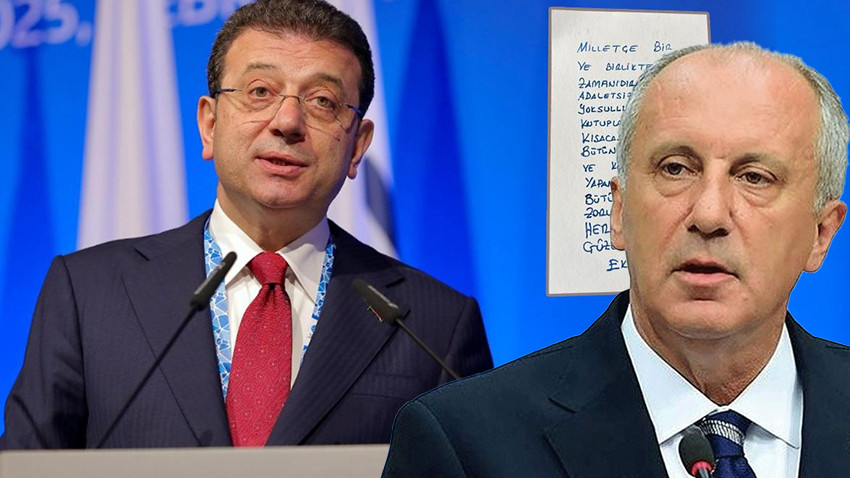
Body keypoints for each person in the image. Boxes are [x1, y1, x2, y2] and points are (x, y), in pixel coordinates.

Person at [1, 0, 491, 449]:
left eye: (322, 101)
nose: (288, 121)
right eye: (260, 92)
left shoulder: (432, 326)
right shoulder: (89, 293)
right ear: (210, 124)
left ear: (357, 146)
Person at [383, 42, 850, 477]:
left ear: (821, 233)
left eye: (754, 177)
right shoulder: (464, 445)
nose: (709, 215)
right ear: (619, 212)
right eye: (676, 168)